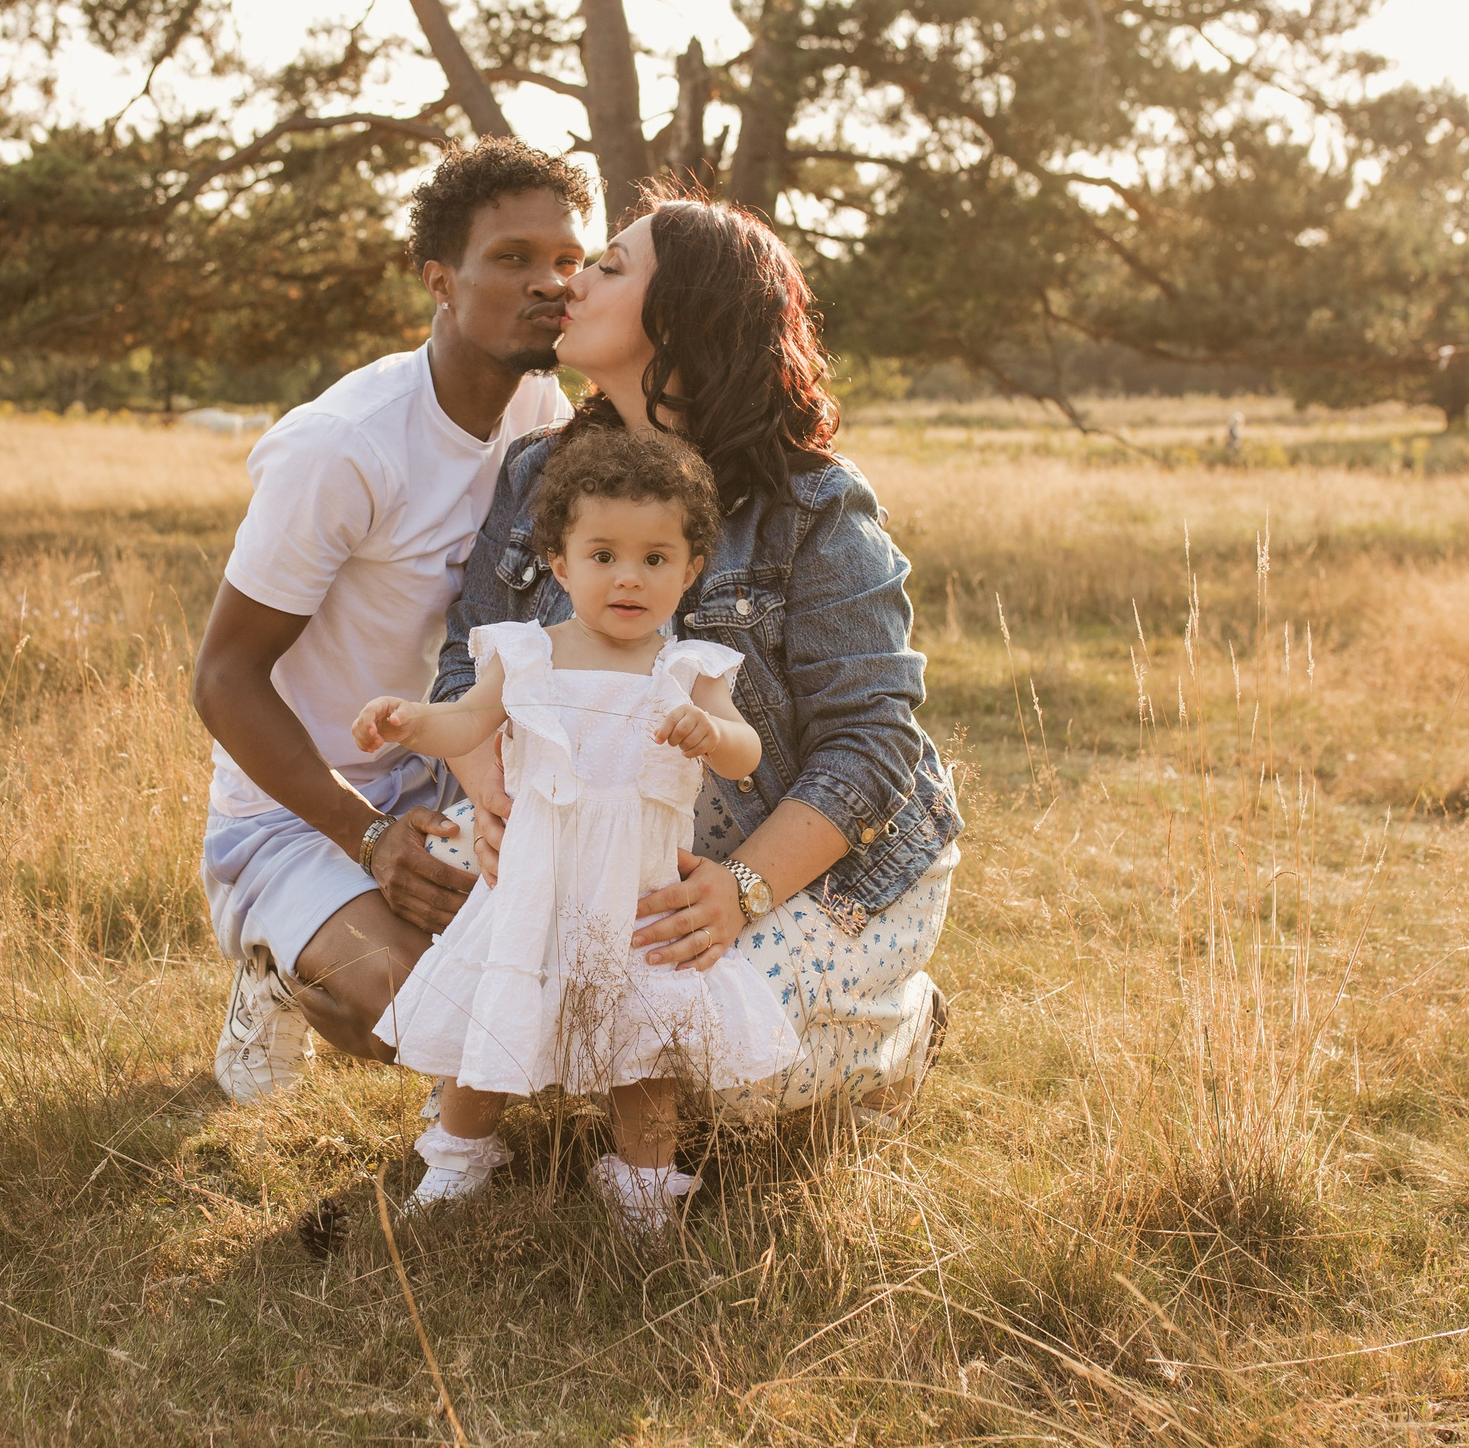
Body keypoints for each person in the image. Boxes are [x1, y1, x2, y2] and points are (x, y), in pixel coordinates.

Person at [435, 191, 963, 1128]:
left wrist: (741, 889)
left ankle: (901, 1023)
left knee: (717, 1067)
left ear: (683, 316)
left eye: (608, 267)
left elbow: (872, 743)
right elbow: (465, 666)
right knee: (436, 963)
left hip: (804, 860)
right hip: (600, 840)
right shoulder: (538, 474)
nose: (571, 282)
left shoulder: (810, 504)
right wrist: (493, 801)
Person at [193, 139, 590, 1102]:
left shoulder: (540, 403)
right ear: (438, 281)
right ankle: (276, 968)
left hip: (454, 766)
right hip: (303, 806)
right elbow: (222, 679)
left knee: (554, 994)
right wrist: (369, 837)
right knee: (423, 1009)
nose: (549, 283)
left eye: (568, 260)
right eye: (512, 258)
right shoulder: (343, 447)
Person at [353, 432, 801, 1234]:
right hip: (535, 885)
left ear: (691, 569)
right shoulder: (527, 654)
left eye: (656, 558)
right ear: (560, 565)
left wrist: (712, 733)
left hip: (636, 896)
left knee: (643, 1047)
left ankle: (643, 1182)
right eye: (603, 555)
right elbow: (467, 721)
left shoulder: (689, 669)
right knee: (491, 1020)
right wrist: (412, 721)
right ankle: (457, 1158)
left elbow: (746, 750)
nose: (629, 576)